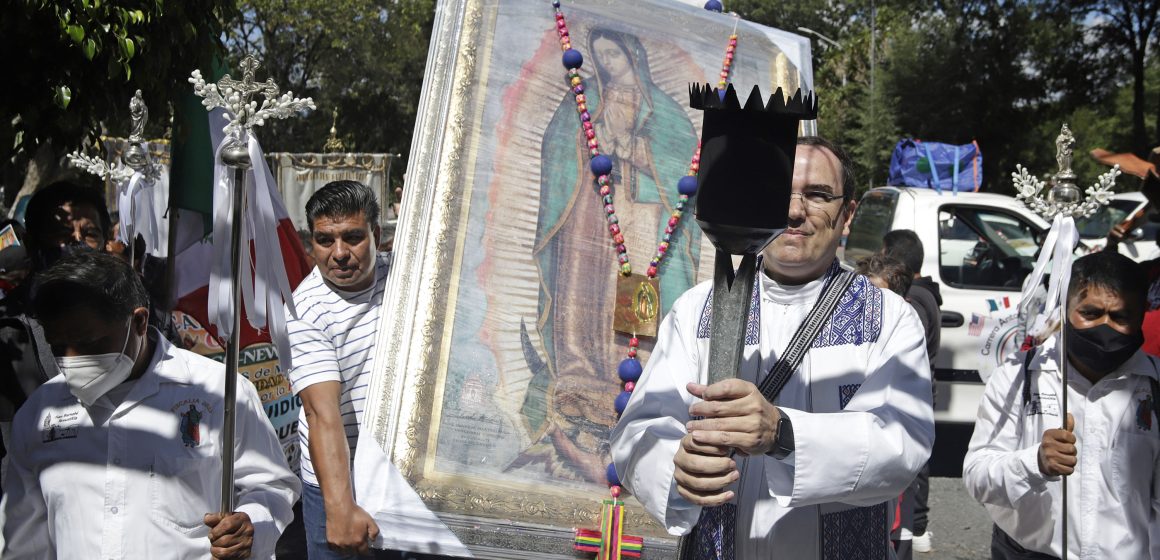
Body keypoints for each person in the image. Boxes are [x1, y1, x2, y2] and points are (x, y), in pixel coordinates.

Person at [610, 137, 934, 558]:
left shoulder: (887, 319)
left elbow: (903, 442)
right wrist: (675, 467)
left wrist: (783, 434)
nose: (794, 210)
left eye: (817, 195)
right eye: (781, 192)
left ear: (848, 214)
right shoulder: (699, 309)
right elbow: (638, 430)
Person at [1, 251, 299, 558]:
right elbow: (24, 539)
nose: (72, 359)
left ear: (140, 321)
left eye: (90, 343)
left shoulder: (218, 393)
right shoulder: (41, 414)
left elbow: (271, 487)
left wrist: (251, 523)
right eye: (58, 347)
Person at [521, 27, 701, 483]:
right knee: (584, 289)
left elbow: (680, 158)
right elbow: (559, 147)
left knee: (633, 292)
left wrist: (638, 152)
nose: (606, 63)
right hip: (589, 214)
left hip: (639, 217)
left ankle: (631, 374)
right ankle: (580, 370)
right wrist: (589, 147)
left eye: (613, 55)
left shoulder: (663, 112)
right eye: (598, 56)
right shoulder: (581, 102)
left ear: (632, 56)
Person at [963, 251, 1157, 559]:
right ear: (1066, 309)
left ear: (1141, 315)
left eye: (1120, 317)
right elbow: (977, 475)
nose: (1104, 328)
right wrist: (1034, 463)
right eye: (1090, 313)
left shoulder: (1153, 387)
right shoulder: (1019, 375)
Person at [286, 180, 393, 558]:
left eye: (352, 237)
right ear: (310, 243)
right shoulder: (304, 311)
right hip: (336, 477)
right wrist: (339, 508)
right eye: (325, 240)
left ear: (376, 235)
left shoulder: (407, 279)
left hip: (400, 475)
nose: (340, 253)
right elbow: (322, 414)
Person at [881, 228, 941, 554]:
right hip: (920, 396)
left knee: (913, 469)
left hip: (910, 399)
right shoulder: (926, 294)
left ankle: (916, 527)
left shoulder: (913, 302)